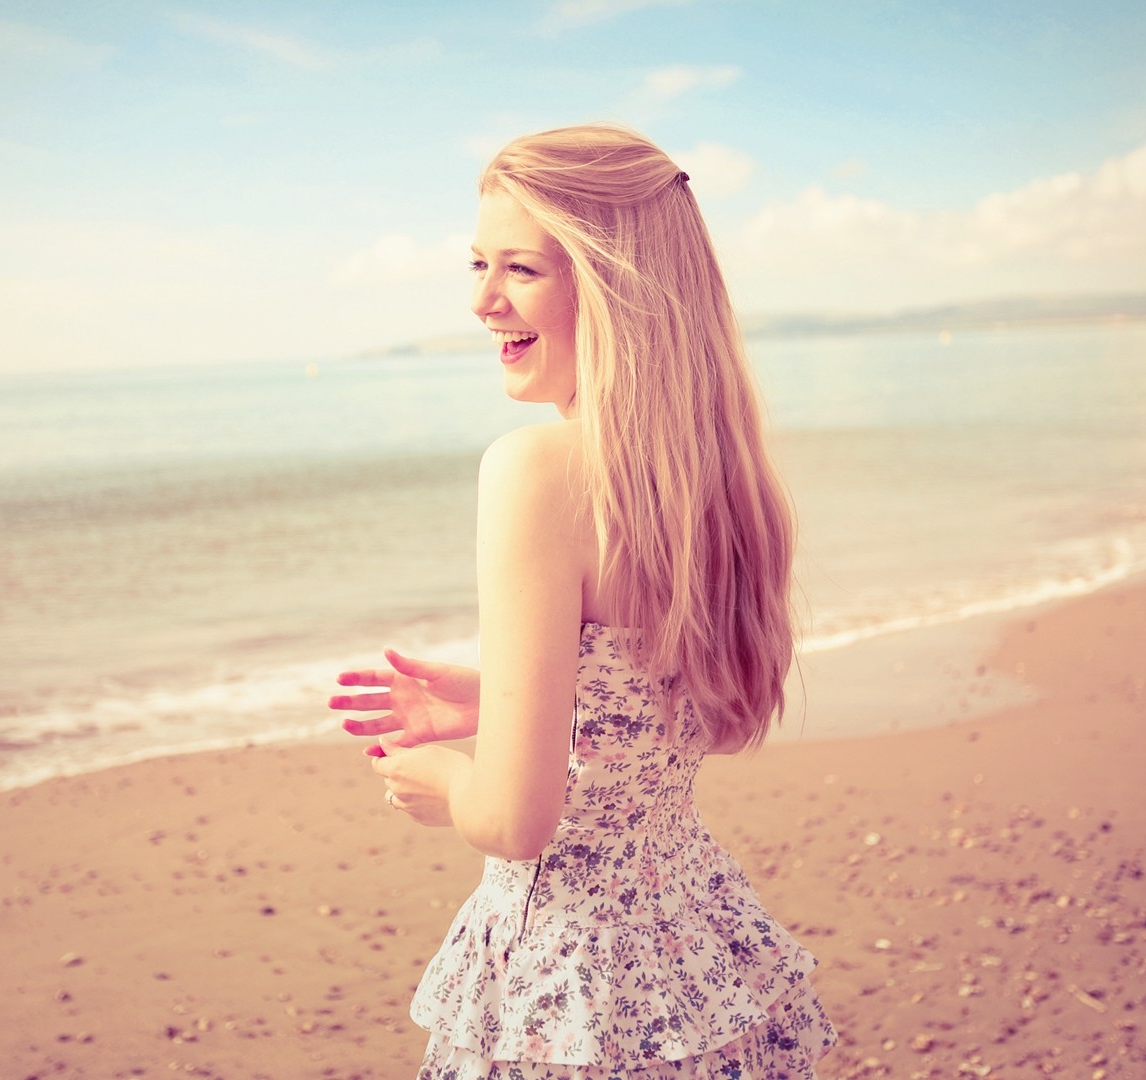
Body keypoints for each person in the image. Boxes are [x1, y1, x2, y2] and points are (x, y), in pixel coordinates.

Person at [328, 123, 835, 1079]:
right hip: (698, 954)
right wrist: (506, 699)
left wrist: (438, 778)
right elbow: (705, 719)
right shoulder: (716, 479)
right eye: (478, 263)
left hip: (576, 989)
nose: (482, 301)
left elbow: (518, 821)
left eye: (519, 268)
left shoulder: (535, 471)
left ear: (613, 288)